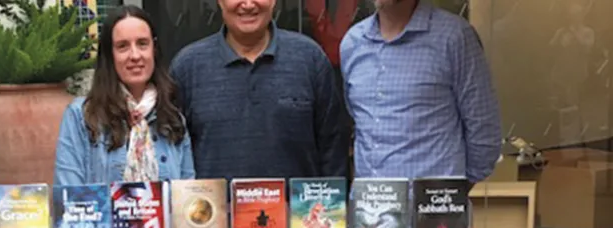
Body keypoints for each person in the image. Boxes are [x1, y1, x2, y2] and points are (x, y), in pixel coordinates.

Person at [169, 0, 348, 180]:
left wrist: (333, 206)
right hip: (213, 207)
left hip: (299, 208)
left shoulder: (310, 59)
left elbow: (333, 152)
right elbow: (174, 157)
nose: (247, 4)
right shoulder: (187, 67)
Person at [339, 0, 501, 190]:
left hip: (434, 211)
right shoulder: (352, 43)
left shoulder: (454, 37)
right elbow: (357, 119)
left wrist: (450, 196)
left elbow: (484, 130)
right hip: (371, 211)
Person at [54, 5, 195, 186]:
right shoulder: (81, 117)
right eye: (122, 46)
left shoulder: (173, 119)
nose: (135, 55)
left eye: (142, 44)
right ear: (109, 56)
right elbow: (70, 198)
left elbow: (187, 196)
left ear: (154, 50)